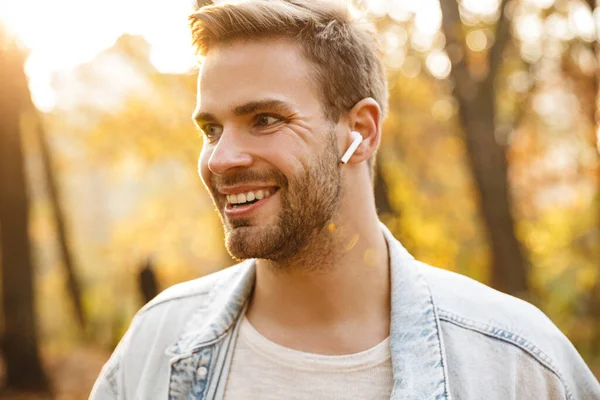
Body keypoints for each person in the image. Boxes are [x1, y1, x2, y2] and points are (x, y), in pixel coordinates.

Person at [90, 0, 600, 399]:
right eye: (211, 128)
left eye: (265, 119)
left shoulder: (518, 364)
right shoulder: (156, 345)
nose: (220, 160)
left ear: (360, 131)